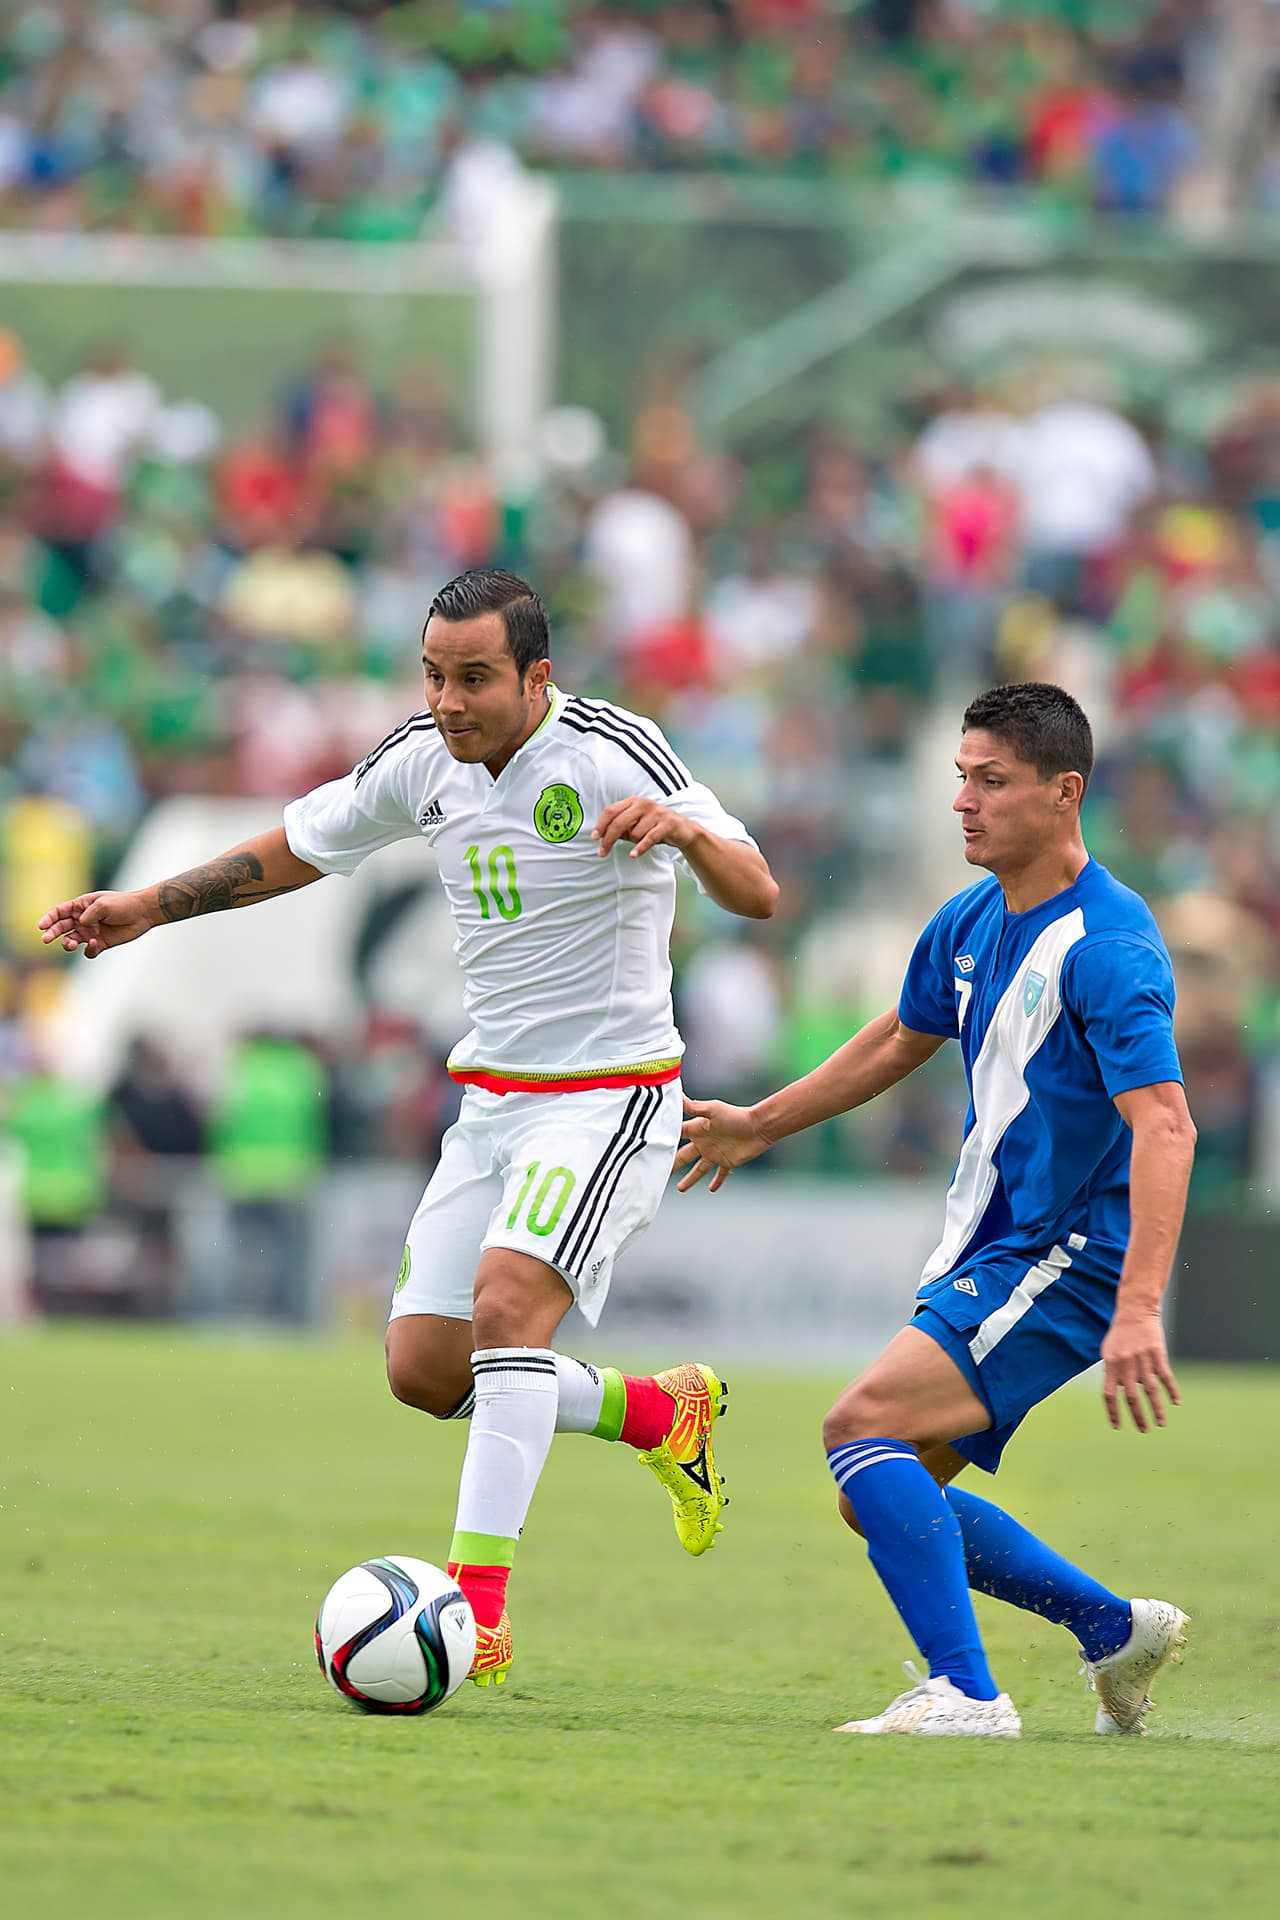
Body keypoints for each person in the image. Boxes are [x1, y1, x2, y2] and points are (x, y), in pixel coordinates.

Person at [39, 566, 778, 1687]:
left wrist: (682, 831)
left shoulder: (613, 750)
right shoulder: (420, 761)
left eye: (473, 678)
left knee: (507, 1310)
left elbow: (757, 890)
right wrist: (145, 906)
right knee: (426, 1369)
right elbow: (298, 846)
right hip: (491, 1102)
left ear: (536, 676)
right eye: (432, 674)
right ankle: (656, 1413)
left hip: (606, 1094)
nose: (446, 700)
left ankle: (478, 1609)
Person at [677, 681, 1195, 1739]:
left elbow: (1167, 1126)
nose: (963, 801)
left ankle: (966, 1694)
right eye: (960, 778)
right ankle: (1111, 1629)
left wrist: (1140, 1305)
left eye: (990, 782)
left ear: (1064, 794)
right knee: (875, 1486)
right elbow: (894, 1039)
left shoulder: (1106, 947)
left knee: (858, 1426)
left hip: (1065, 1257)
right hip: (997, 1249)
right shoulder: (970, 917)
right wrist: (760, 1123)